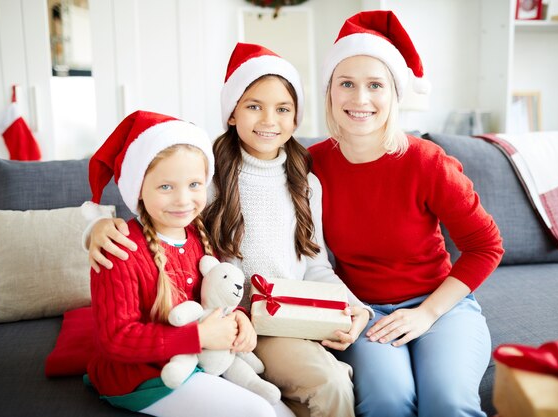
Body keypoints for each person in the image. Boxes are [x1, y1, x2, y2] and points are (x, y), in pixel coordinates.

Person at [85, 43, 371, 417]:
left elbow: (316, 266)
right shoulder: (207, 181)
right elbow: (155, 222)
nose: (269, 120)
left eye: (282, 109)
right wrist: (96, 227)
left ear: (296, 118)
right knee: (329, 385)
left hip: (298, 314)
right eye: (254, 106)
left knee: (339, 380)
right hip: (244, 323)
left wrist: (352, 306)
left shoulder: (307, 185)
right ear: (232, 114)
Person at [308, 10, 504, 417]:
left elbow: (486, 246)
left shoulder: (426, 163)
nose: (360, 99)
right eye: (346, 84)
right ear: (329, 92)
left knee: (447, 401)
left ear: (395, 94)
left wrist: (427, 313)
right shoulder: (310, 165)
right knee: (386, 401)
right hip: (361, 310)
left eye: (375, 85)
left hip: (440, 305)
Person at [82, 110, 290, 417]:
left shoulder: (197, 234)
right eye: (166, 187)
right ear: (139, 188)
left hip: (201, 358)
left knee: (281, 409)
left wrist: (240, 318)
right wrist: (200, 336)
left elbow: (217, 294)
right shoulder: (120, 248)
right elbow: (117, 339)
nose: (183, 200)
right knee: (259, 412)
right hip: (144, 375)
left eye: (194, 185)